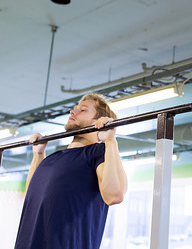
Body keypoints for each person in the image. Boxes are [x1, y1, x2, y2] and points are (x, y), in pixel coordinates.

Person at [15, 93, 128, 249]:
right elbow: (32, 196)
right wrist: (38, 154)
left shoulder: (97, 153)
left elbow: (114, 195)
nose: (72, 112)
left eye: (82, 110)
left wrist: (110, 140)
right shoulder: (52, 158)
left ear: (97, 121)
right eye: (74, 109)